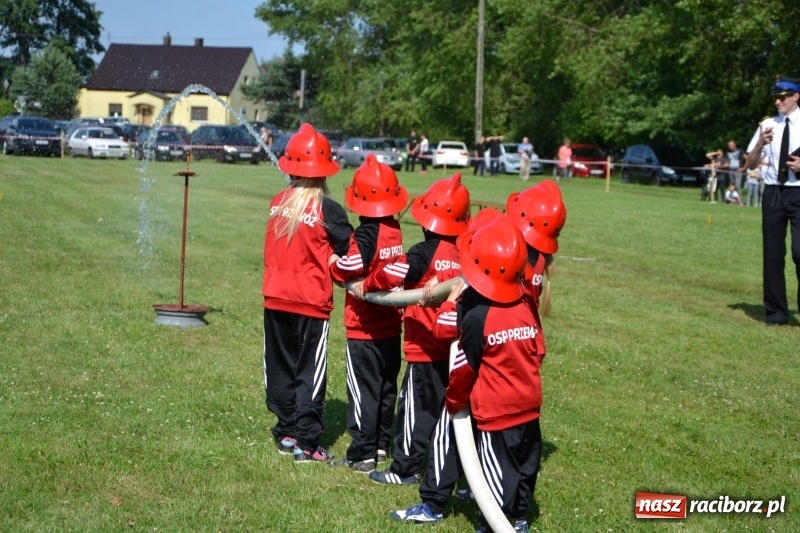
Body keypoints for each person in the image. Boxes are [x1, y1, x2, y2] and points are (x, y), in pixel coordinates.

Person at [392, 215, 545, 533]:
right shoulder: (523, 303)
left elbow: (448, 339)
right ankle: (516, 518)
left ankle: (482, 518)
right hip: (529, 405)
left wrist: (449, 302)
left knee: (493, 468)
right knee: (521, 467)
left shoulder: (477, 312)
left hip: (490, 406)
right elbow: (538, 349)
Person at [350, 173, 471, 486]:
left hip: (425, 348)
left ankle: (404, 468)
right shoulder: (464, 252)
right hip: (455, 348)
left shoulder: (424, 252)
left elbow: (394, 271)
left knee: (414, 410)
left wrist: (368, 284)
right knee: (444, 411)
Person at [262, 123, 353, 462]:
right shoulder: (329, 209)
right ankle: (307, 442)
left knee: (281, 366)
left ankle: (286, 430)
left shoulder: (277, 202)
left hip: (275, 298)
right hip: (310, 303)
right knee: (309, 372)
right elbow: (351, 252)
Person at [328, 155, 408, 473]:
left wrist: (333, 263)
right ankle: (379, 445)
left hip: (364, 327)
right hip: (391, 325)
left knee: (363, 390)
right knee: (386, 389)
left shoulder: (365, 235)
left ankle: (361, 454)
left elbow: (350, 265)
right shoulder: (393, 228)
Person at [745, 75, 800, 326]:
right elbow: (750, 164)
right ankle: (776, 314)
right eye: (775, 97)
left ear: (796, 96)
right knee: (773, 255)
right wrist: (760, 143)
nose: (778, 102)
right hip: (774, 192)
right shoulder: (767, 124)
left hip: (798, 192)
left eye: (782, 97)